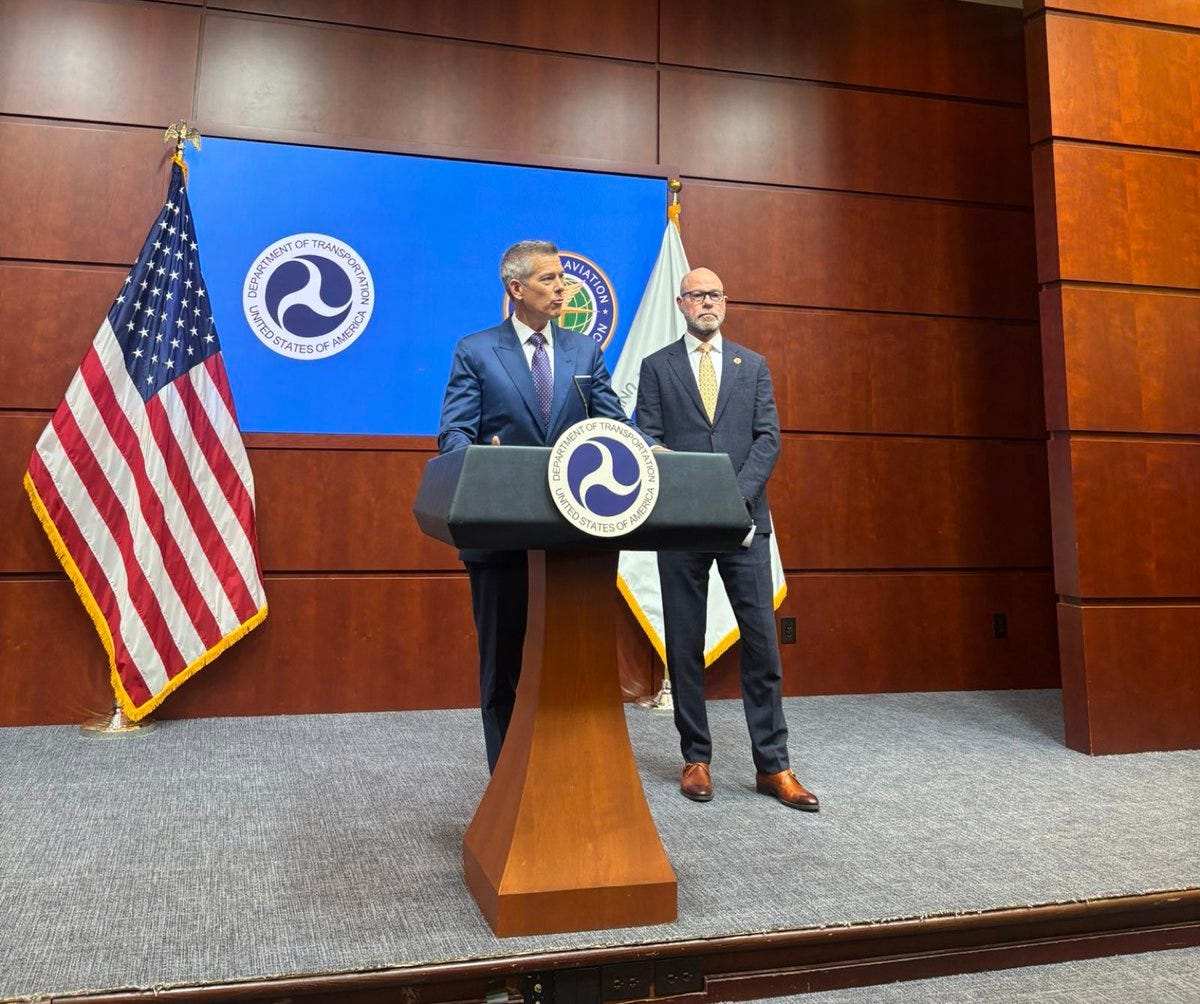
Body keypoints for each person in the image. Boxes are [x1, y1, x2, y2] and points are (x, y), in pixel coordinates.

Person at [438, 240, 638, 773]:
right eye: (549, 279)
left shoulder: (584, 352)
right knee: (503, 669)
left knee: (568, 667)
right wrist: (484, 464)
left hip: (574, 539)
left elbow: (614, 423)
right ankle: (506, 786)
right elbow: (454, 433)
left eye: (563, 279)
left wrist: (648, 450)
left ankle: (564, 781)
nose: (562, 288)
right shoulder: (476, 350)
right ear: (516, 289)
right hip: (501, 536)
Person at [635, 267, 819, 811]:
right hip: (682, 525)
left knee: (762, 645)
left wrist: (733, 495)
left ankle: (774, 766)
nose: (706, 303)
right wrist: (697, 493)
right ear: (681, 303)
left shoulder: (753, 365)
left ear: (725, 302)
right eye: (696, 295)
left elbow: (768, 438)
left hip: (743, 523)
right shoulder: (656, 367)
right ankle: (696, 758)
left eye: (714, 295)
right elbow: (648, 436)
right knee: (685, 644)